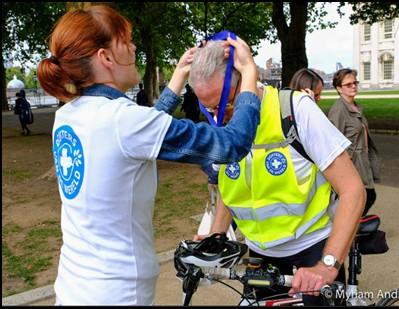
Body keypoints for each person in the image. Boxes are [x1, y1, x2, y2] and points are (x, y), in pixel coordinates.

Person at [36, 5, 260, 306]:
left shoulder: (68, 116)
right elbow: (232, 145)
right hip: (118, 295)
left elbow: (139, 136)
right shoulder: (124, 121)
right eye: (125, 41)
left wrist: (179, 77)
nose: (133, 47)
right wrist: (248, 75)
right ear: (106, 58)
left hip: (74, 287)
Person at [191, 42, 366, 305]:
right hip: (260, 254)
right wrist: (216, 239)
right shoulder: (221, 125)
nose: (218, 119)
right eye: (209, 110)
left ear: (247, 81)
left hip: (312, 249)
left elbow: (353, 190)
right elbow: (232, 186)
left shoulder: (296, 110)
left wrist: (327, 265)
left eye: (224, 105)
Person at [328, 68, 381, 216]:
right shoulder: (338, 110)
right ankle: (347, 230)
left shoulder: (356, 106)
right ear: (339, 88)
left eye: (355, 82)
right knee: (366, 196)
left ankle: (351, 230)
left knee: (365, 197)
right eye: (348, 84)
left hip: (363, 161)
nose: (353, 86)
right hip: (351, 164)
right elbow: (333, 142)